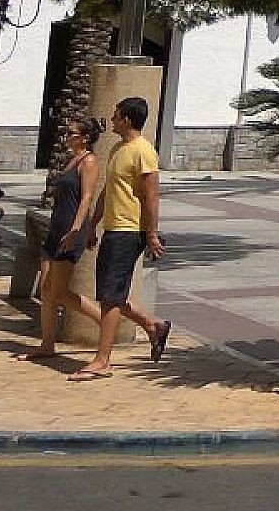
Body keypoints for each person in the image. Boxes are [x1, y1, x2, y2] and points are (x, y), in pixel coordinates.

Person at [70, 97, 172, 380]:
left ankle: (103, 361)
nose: (112, 120)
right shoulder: (118, 148)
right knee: (109, 295)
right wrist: (93, 224)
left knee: (111, 297)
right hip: (113, 228)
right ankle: (153, 326)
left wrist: (151, 233)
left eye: (116, 116)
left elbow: (152, 196)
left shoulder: (143, 151)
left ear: (126, 119)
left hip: (129, 231)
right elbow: (108, 190)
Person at [17, 117, 103, 362]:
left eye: (72, 133)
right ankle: (47, 345)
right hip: (56, 227)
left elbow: (86, 198)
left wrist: (77, 229)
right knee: (46, 289)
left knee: (59, 292)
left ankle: (103, 320)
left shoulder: (89, 161)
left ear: (85, 138)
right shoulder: (71, 160)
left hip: (70, 229)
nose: (67, 136)